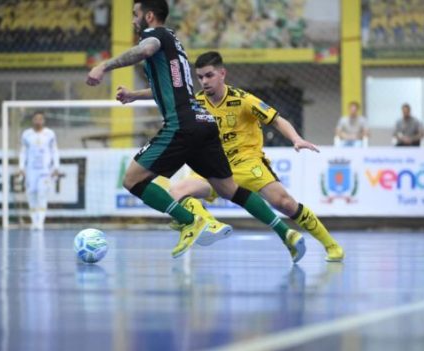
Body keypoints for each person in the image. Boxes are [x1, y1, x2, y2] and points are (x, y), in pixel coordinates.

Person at [86, 0, 306, 262]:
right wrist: (135, 95)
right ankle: (286, 234)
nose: (133, 21)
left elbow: (145, 49)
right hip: (203, 121)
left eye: (135, 15)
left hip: (181, 126)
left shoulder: (154, 36)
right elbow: (178, 91)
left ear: (149, 16)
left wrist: (104, 66)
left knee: (132, 180)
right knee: (229, 189)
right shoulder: (174, 44)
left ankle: (190, 221)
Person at [167, 51, 344, 262]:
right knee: (177, 191)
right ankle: (207, 223)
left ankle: (332, 246)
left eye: (209, 75)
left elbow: (277, 120)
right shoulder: (196, 104)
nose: (204, 81)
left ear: (222, 73)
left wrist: (296, 139)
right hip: (213, 167)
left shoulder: (242, 100)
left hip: (247, 163)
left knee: (286, 204)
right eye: (200, 77)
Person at [18, 111, 60, 230]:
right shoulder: (27, 134)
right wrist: (21, 167)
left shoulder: (50, 134)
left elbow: (54, 151)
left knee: (42, 193)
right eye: (36, 119)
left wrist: (56, 166)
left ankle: (40, 221)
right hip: (31, 170)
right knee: (31, 193)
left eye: (40, 119)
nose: (38, 121)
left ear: (43, 121)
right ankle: (33, 220)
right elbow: (23, 151)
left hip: (45, 170)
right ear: (33, 120)